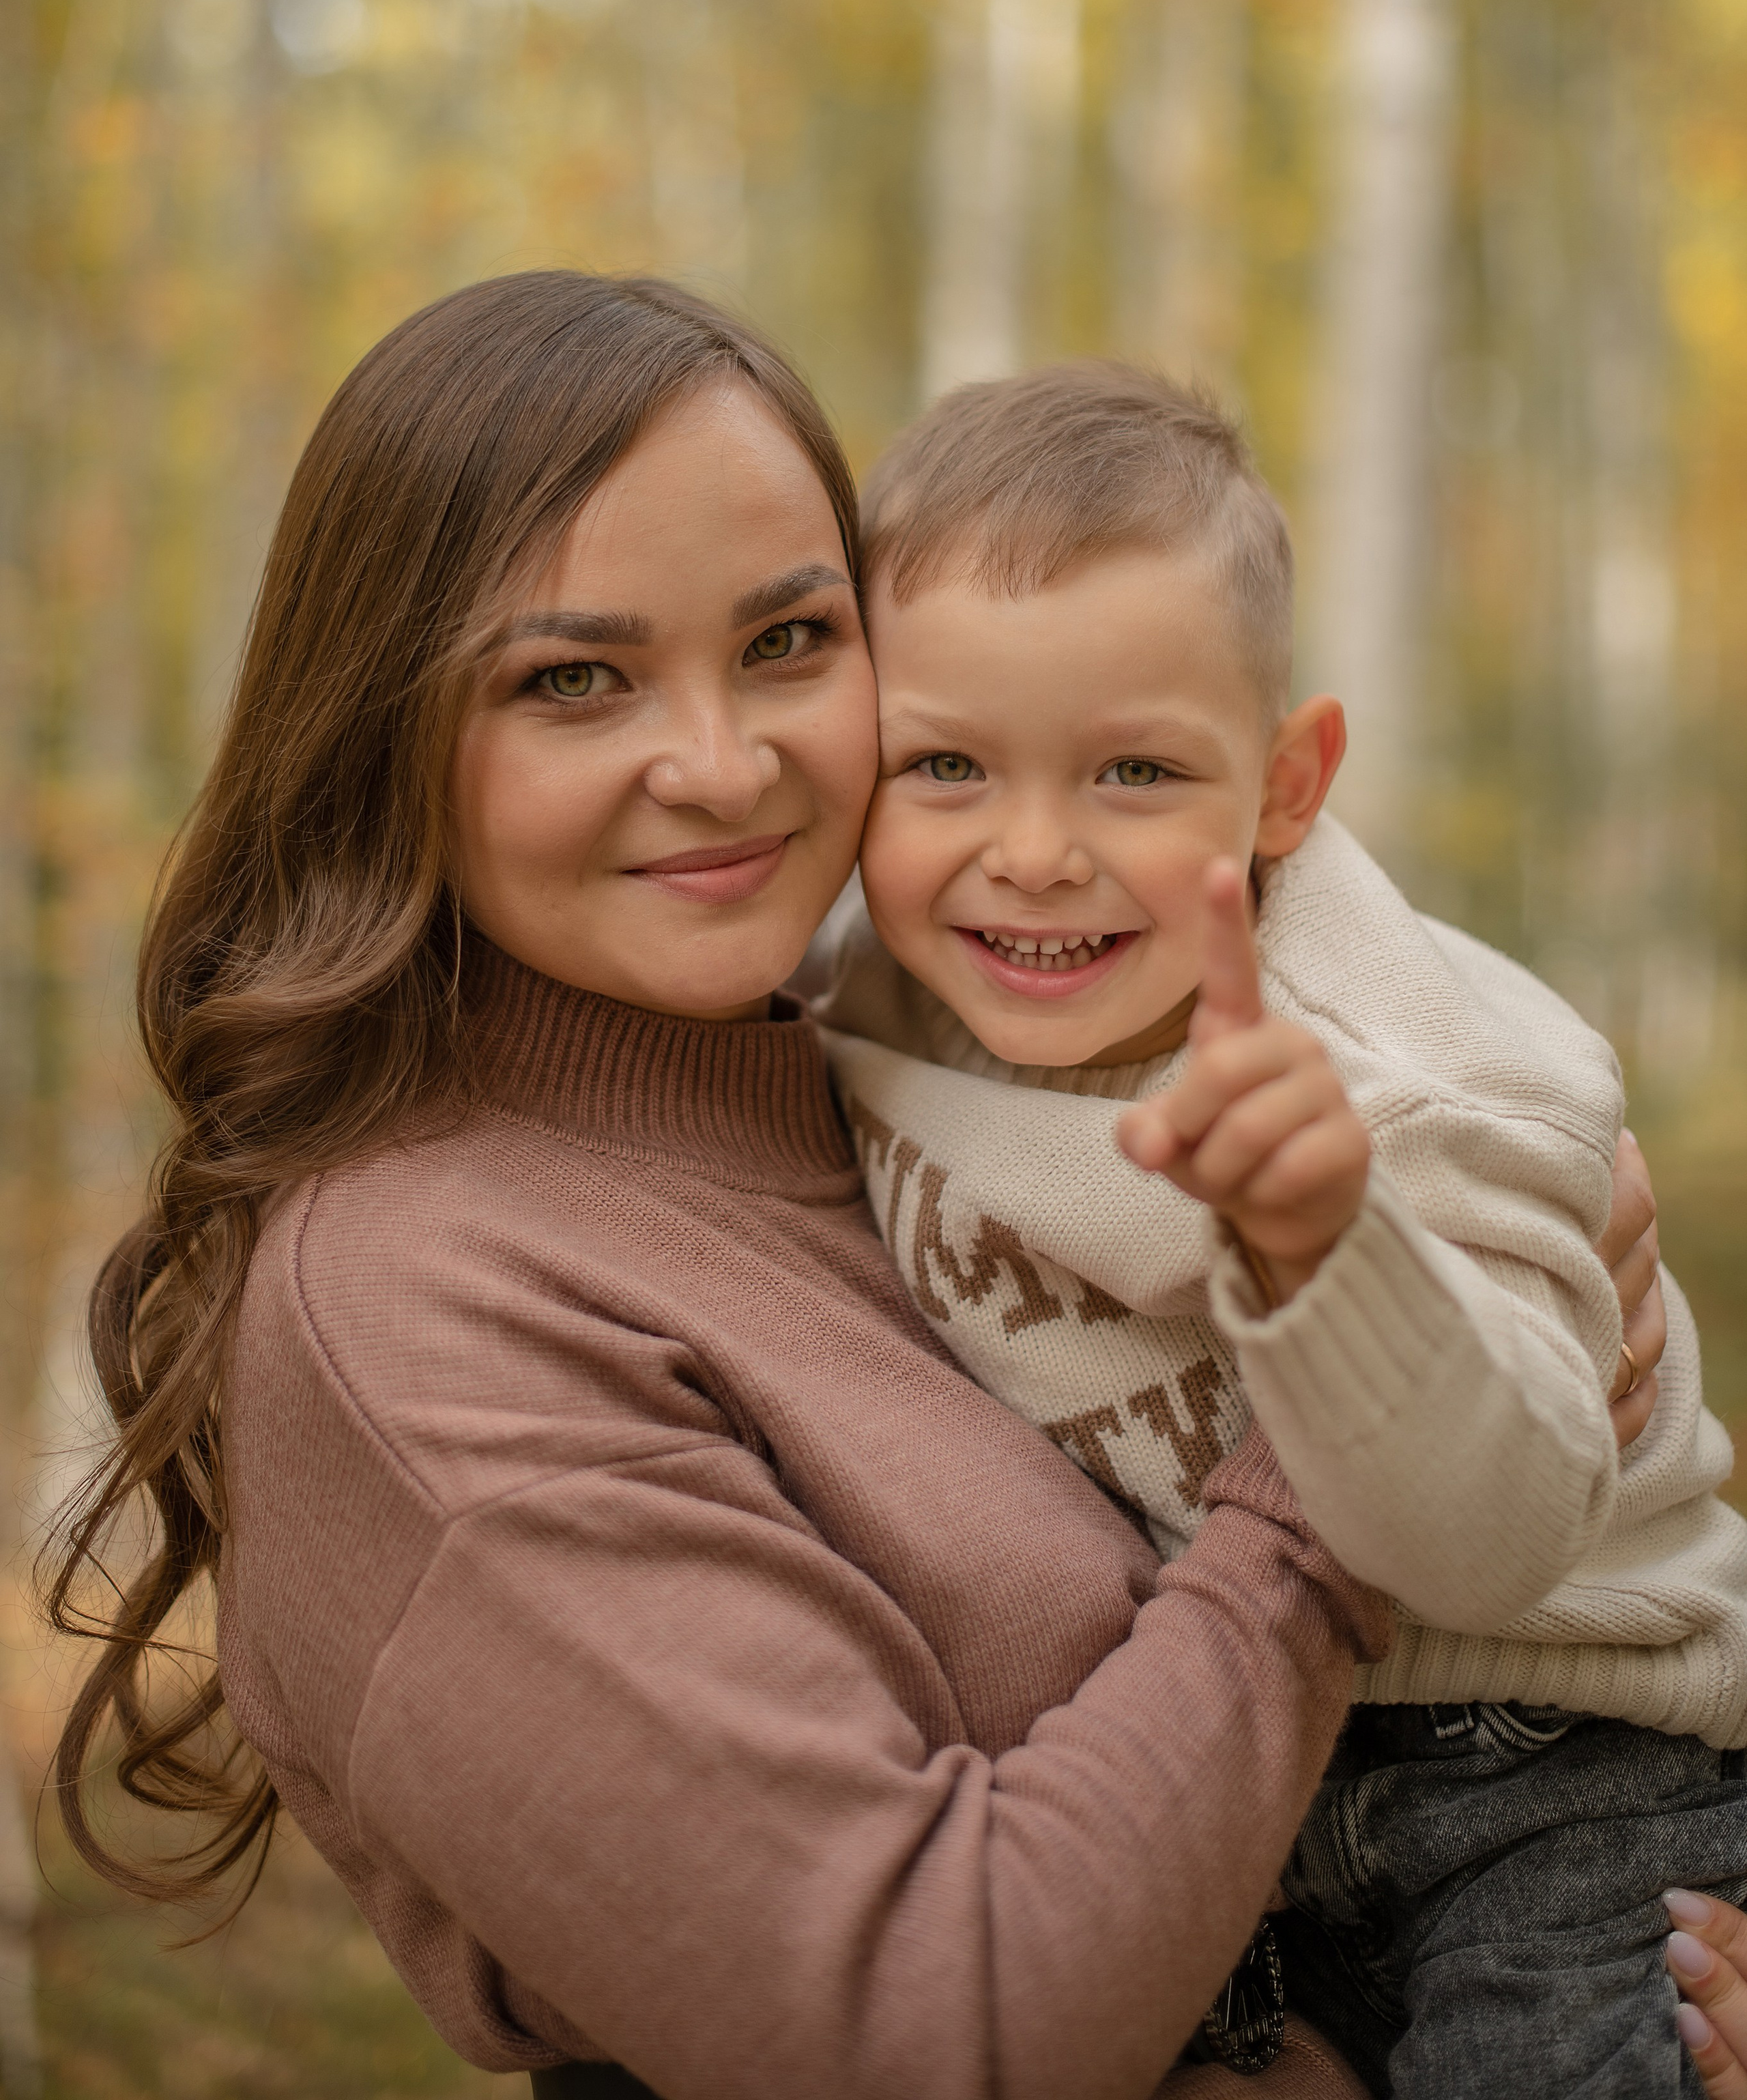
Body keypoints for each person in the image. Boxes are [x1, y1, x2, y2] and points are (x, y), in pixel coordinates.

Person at [44, 274, 1662, 2100]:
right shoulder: (422, 1304)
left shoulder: (908, 1074)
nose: (726, 767)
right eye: (574, 679)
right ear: (387, 730)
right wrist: (1341, 1408)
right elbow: (928, 2034)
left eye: (792, 642)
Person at [816, 361, 1746, 2097]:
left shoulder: (1422, 1088)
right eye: (941, 763)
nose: (1029, 852)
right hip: (1206, 1759)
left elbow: (1487, 1542)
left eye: (1132, 773)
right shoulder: (871, 994)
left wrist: (1329, 1246)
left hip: (1544, 1762)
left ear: (1285, 784)